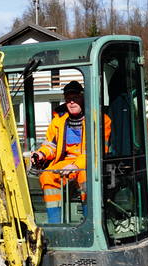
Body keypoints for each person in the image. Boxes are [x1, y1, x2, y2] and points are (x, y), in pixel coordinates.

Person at [31, 81, 111, 223]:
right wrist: (41, 154)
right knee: (47, 176)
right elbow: (51, 145)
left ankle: (90, 222)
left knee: (86, 175)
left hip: (88, 162)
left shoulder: (100, 120)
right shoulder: (59, 121)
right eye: (68, 99)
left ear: (83, 98)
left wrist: (75, 166)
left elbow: (97, 151)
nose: (72, 102)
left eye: (75, 97)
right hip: (66, 163)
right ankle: (55, 223)